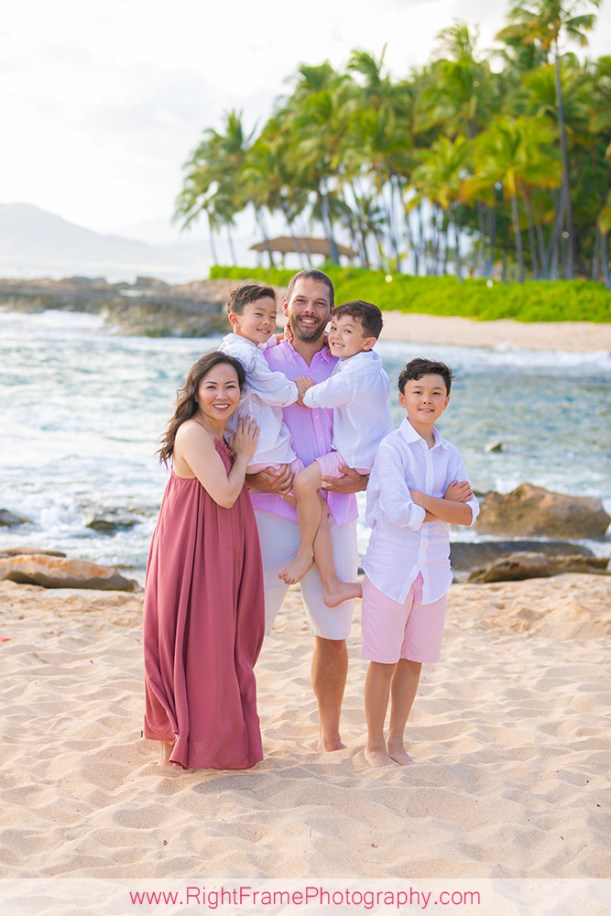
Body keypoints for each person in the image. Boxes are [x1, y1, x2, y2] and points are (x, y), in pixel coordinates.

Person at [247, 269, 367, 752]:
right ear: (286, 307)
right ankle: (235, 728)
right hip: (270, 512)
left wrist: (363, 478)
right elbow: (231, 422)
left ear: (332, 311)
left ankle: (329, 737)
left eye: (320, 303)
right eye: (301, 300)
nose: (310, 310)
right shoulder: (261, 360)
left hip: (336, 510)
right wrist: (254, 478)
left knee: (333, 633)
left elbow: (374, 430)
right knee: (248, 631)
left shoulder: (352, 363)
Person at [142, 351, 265, 770]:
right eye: (211, 386)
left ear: (241, 393)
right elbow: (226, 493)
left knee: (215, 639)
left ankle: (209, 738)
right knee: (193, 639)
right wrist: (245, 453)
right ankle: (183, 740)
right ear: (195, 391)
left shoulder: (219, 432)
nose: (222, 394)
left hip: (213, 545)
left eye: (231, 386)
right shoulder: (194, 434)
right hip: (190, 550)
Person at [361, 358, 480, 768]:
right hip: (390, 570)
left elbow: (469, 515)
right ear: (402, 399)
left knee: (413, 661)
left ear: (446, 401)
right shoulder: (391, 449)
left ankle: (397, 741)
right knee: (384, 659)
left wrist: (426, 499)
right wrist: (445, 503)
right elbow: (397, 513)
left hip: (433, 573)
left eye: (435, 393)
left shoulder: (451, 454)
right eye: (418, 392)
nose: (426, 400)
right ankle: (374, 745)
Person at [278, 300, 394, 607]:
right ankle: (332, 586)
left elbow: (318, 398)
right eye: (334, 328)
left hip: (353, 456)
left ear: (368, 342)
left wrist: (304, 390)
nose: (336, 336)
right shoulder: (367, 364)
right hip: (366, 452)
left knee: (303, 484)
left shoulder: (355, 374)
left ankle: (306, 552)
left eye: (347, 331)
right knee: (315, 499)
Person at [217, 283, 310, 480]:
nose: (267, 322)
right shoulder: (247, 355)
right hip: (265, 450)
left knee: (305, 500)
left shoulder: (232, 347)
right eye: (259, 315)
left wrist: (279, 338)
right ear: (234, 318)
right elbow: (275, 390)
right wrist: (297, 389)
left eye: (272, 316)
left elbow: (258, 348)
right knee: (310, 495)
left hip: (252, 449)